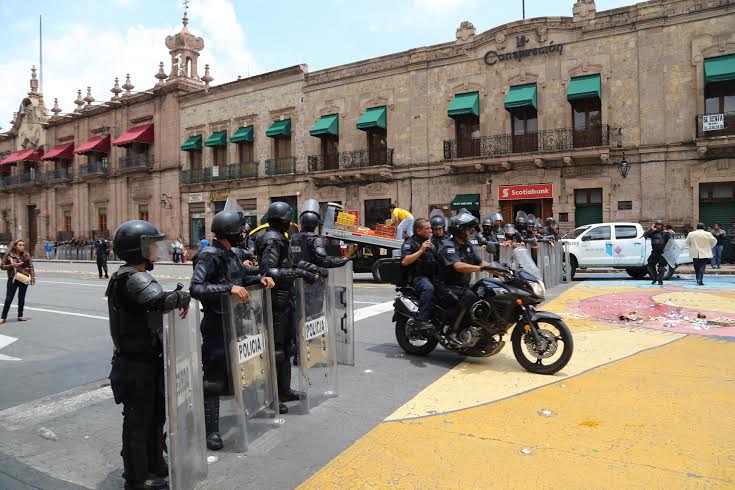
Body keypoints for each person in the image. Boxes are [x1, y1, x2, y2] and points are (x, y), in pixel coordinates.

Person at [106, 220, 191, 490]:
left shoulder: (131, 275)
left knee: (155, 417)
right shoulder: (131, 277)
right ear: (140, 248)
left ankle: (154, 464)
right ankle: (136, 478)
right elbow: (159, 300)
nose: (156, 250)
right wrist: (182, 296)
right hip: (136, 364)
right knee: (138, 422)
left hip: (145, 360)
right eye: (152, 244)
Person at [190, 209, 274, 450]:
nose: (244, 234)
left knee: (243, 371)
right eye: (240, 230)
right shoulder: (209, 255)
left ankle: (249, 411)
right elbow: (196, 288)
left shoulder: (231, 254)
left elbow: (238, 281)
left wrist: (259, 280)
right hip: (217, 326)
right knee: (214, 380)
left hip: (237, 324)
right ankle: (211, 432)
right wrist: (228, 289)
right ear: (230, 233)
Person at [256, 202, 319, 414]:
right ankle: (271, 396)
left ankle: (284, 390)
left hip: (285, 298)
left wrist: (308, 268)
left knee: (287, 348)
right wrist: (300, 274)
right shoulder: (272, 239)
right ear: (282, 219)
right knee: (276, 350)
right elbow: (270, 271)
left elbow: (289, 263)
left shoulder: (280, 237)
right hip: (275, 300)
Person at [436, 213, 494, 344]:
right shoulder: (448, 246)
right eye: (469, 228)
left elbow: (480, 262)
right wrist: (481, 269)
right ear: (459, 229)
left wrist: (500, 269)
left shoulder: (467, 246)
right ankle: (452, 331)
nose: (472, 231)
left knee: (484, 293)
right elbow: (458, 266)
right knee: (469, 296)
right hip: (446, 286)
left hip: (461, 286)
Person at [400, 218, 439, 331]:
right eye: (427, 229)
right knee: (428, 288)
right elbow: (404, 261)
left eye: (430, 228)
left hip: (432, 276)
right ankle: (420, 320)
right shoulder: (410, 243)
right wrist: (421, 250)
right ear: (418, 230)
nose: (431, 231)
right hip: (417, 277)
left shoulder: (430, 242)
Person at [0, 239, 35, 324]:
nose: (22, 247)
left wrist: (33, 277)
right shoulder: (9, 255)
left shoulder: (26, 254)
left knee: (21, 298)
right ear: (15, 246)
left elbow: (31, 266)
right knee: (9, 298)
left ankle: (20, 315)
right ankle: (3, 317)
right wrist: (12, 265)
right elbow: (2, 266)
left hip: (24, 278)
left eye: (23, 245)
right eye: (20, 245)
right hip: (13, 278)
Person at [643, 219, 671, 285]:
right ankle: (654, 278)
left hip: (663, 252)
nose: (658, 226)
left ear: (662, 226)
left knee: (661, 267)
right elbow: (645, 235)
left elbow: (671, 243)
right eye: (657, 225)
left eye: (659, 225)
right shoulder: (652, 233)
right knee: (649, 265)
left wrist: (668, 252)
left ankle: (660, 280)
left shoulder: (666, 233)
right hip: (654, 252)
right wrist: (651, 228)